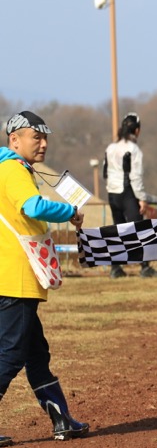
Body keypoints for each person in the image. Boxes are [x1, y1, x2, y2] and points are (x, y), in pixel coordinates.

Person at [0, 111, 90, 444]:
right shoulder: (12, 170)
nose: (44, 144)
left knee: (36, 353)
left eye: (45, 138)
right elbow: (33, 207)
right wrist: (70, 212)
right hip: (15, 279)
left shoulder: (10, 170)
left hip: (13, 278)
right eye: (36, 137)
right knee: (10, 353)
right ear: (14, 140)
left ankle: (62, 420)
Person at [103, 112, 157, 278]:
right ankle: (144, 267)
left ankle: (115, 268)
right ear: (137, 131)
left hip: (112, 193)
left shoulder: (111, 147)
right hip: (128, 192)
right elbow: (135, 176)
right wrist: (142, 198)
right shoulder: (133, 149)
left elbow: (105, 172)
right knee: (139, 229)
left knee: (118, 230)